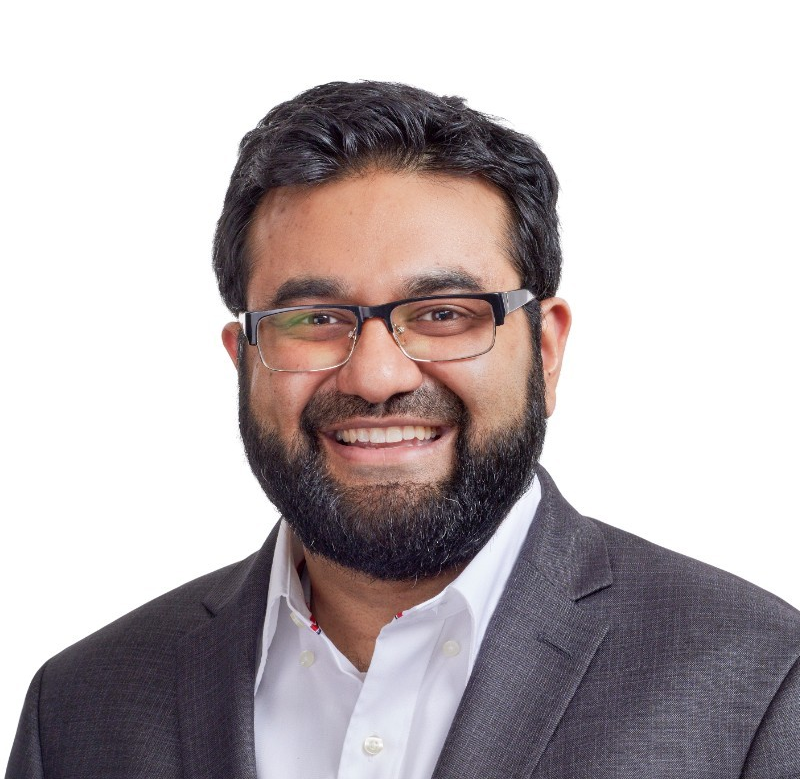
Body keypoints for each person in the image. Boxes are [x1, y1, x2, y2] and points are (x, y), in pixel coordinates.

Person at [6, 81, 799, 779]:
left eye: (444, 314)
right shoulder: (79, 708)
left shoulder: (761, 683)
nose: (376, 376)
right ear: (243, 360)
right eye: (315, 319)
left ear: (546, 350)